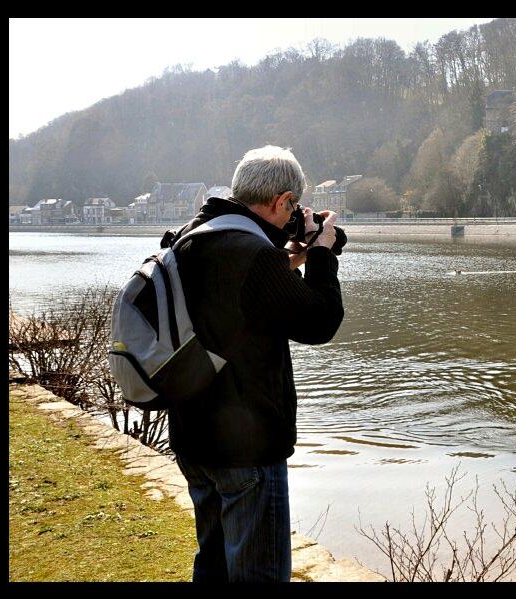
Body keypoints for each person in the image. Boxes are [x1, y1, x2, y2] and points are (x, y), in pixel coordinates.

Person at [164, 145, 344, 582]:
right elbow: (319, 322)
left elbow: (239, 298)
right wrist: (321, 253)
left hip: (193, 437)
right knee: (257, 575)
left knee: (213, 565)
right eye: (291, 208)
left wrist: (292, 253)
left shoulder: (190, 236)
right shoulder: (253, 255)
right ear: (282, 201)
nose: (292, 217)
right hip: (246, 448)